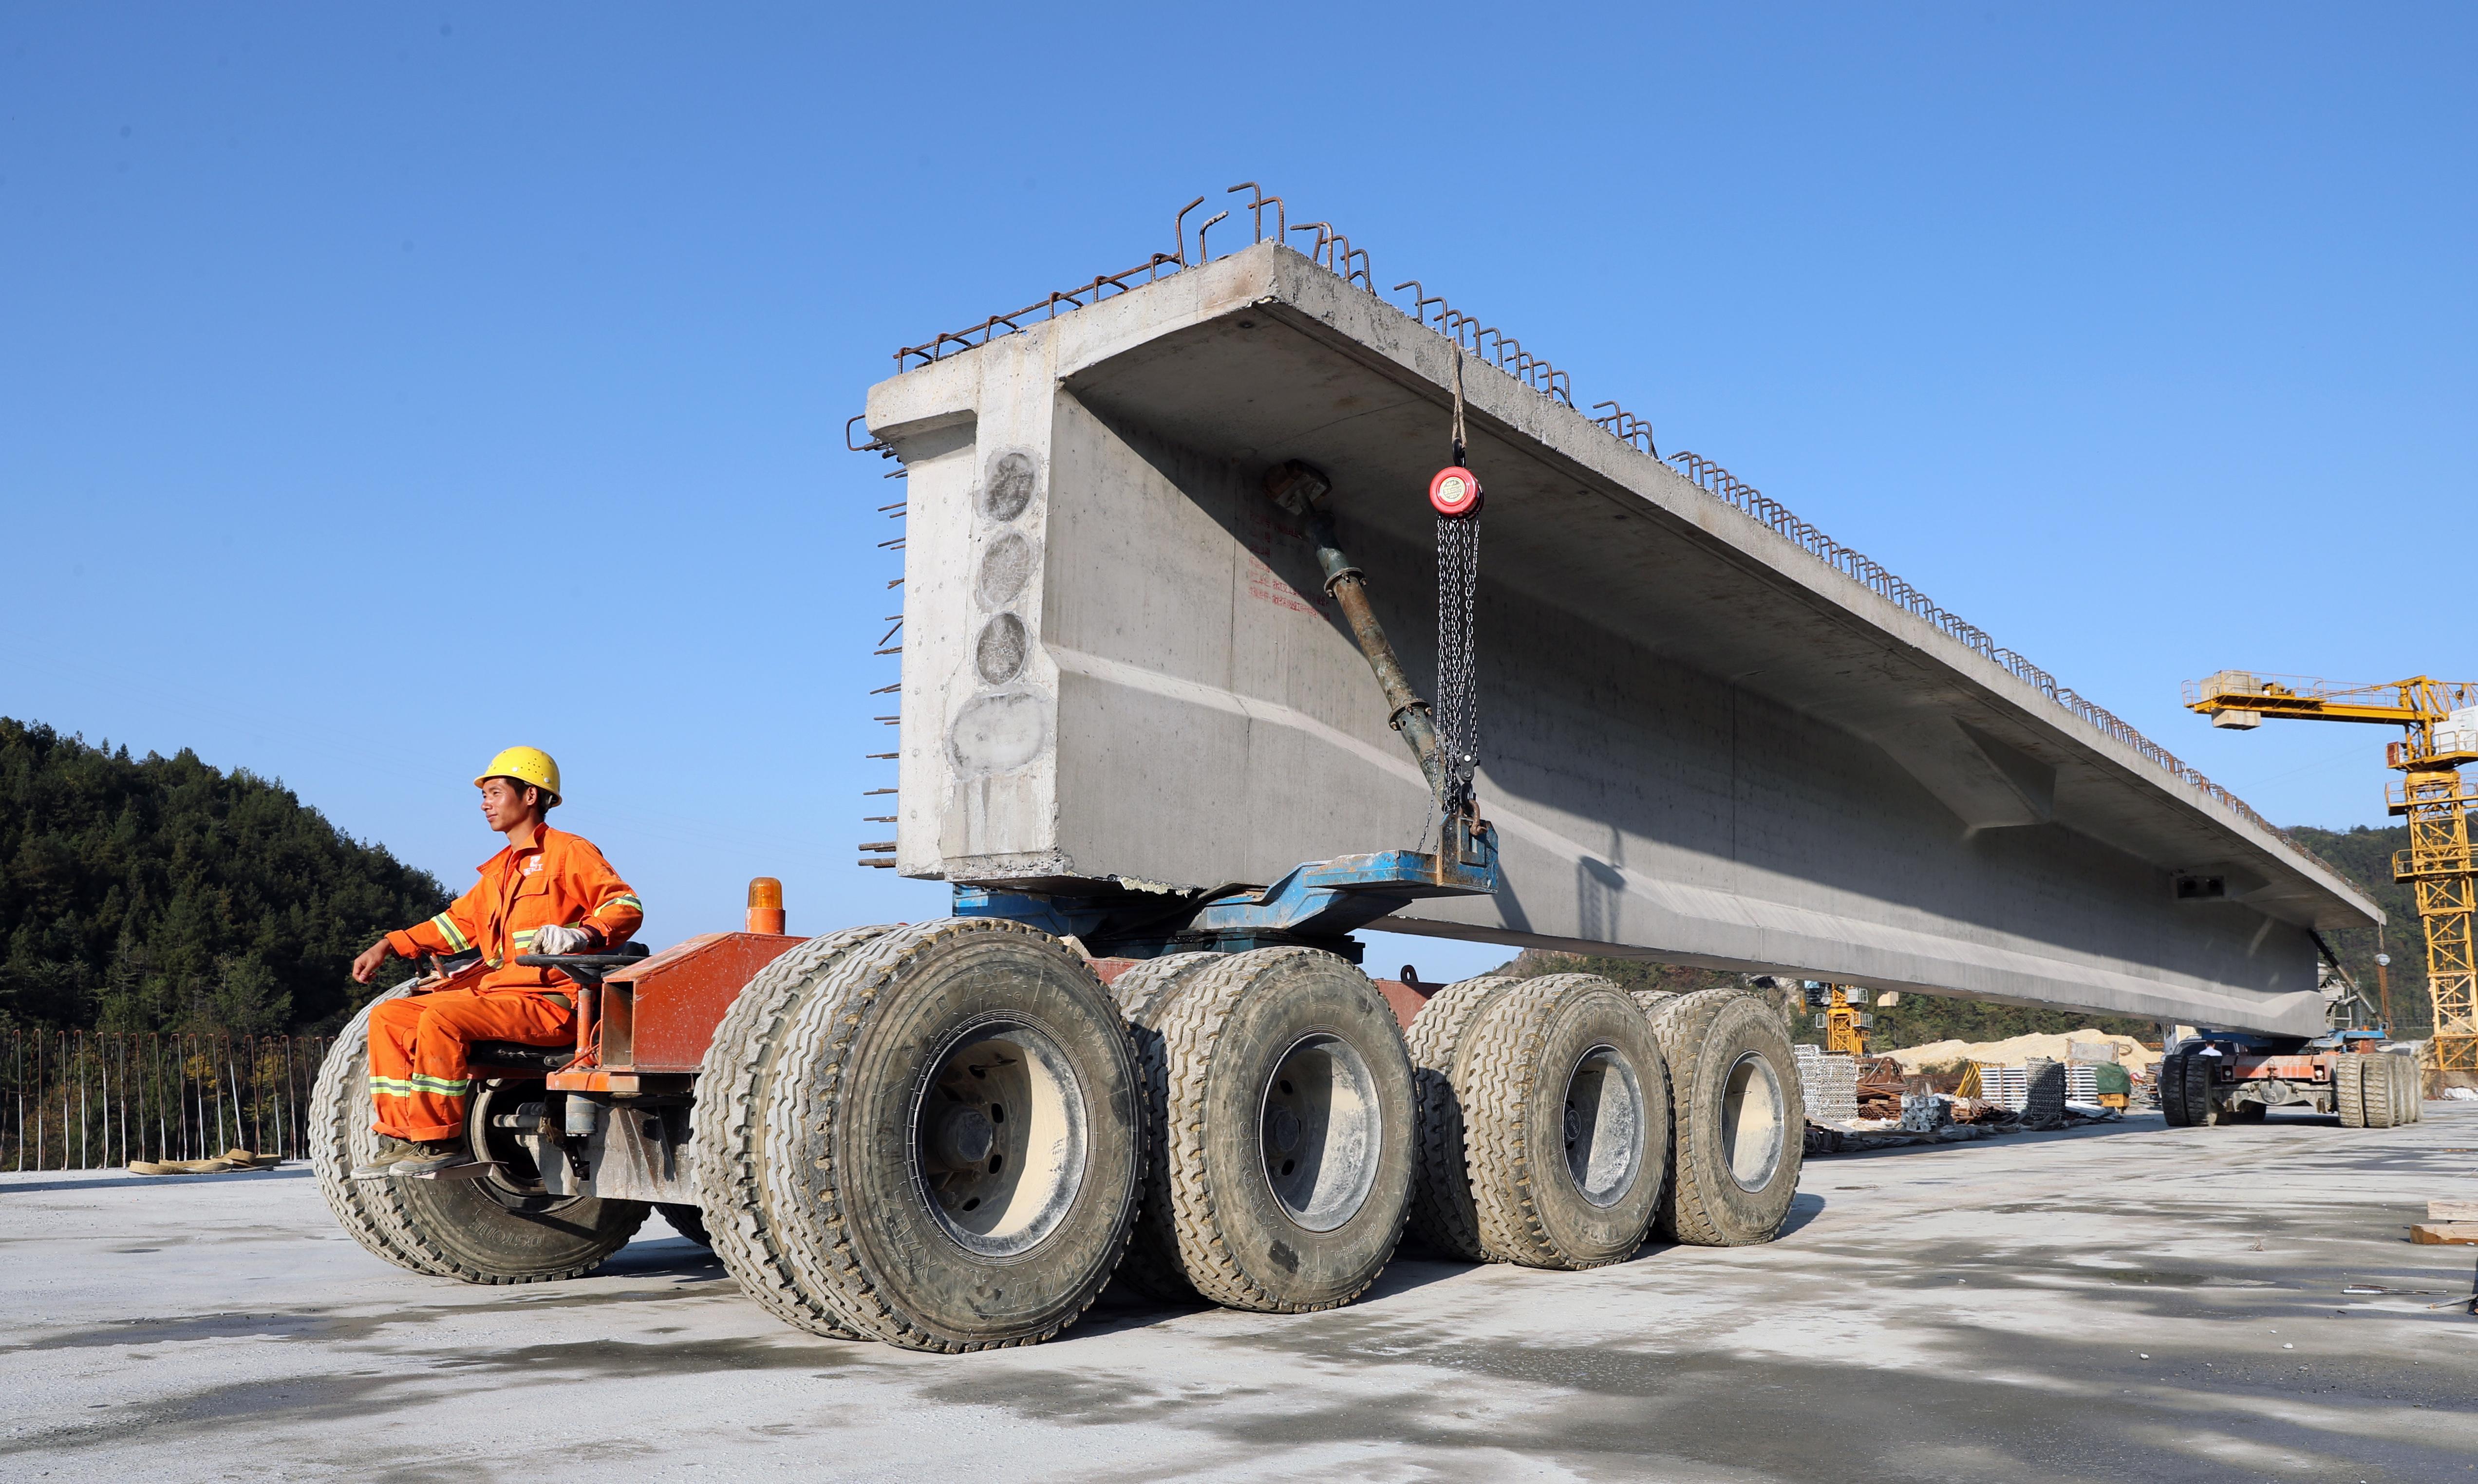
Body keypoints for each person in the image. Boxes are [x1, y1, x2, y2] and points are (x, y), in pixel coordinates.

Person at [347, 747, 643, 1176]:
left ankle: (441, 1142)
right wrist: (391, 944)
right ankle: (404, 1137)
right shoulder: (498, 873)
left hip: (550, 1004)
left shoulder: (569, 852)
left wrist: (583, 934)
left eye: (495, 792)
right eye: (483, 794)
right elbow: (454, 926)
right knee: (391, 1017)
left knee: (442, 1019)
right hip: (499, 999)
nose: (485, 803)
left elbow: (625, 904)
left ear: (531, 796)